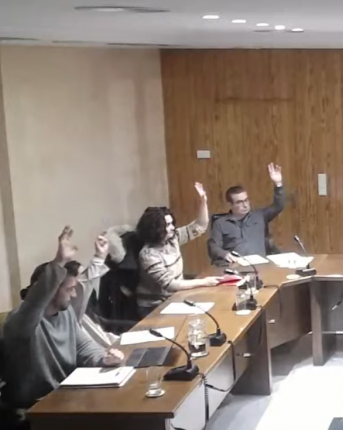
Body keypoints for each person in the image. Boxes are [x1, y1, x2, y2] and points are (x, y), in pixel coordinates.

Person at [1, 227, 124, 416]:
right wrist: (58, 262)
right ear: (50, 290)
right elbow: (34, 302)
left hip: (66, 398)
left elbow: (83, 347)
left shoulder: (65, 313)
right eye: (69, 289)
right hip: (32, 409)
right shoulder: (22, 321)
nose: (74, 295)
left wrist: (104, 358)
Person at [135, 182, 221, 318]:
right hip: (154, 306)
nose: (172, 228)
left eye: (171, 223)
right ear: (155, 228)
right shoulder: (148, 254)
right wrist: (204, 282)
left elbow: (200, 226)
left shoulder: (172, 239)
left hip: (175, 297)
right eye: (167, 225)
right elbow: (170, 285)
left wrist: (203, 201)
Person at [208, 162, 286, 266]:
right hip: (235, 266)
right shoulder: (220, 223)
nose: (245, 205)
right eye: (239, 202)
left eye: (246, 200)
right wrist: (224, 254)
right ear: (230, 205)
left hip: (260, 266)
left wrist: (278, 184)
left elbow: (279, 206)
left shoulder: (260, 216)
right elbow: (213, 247)